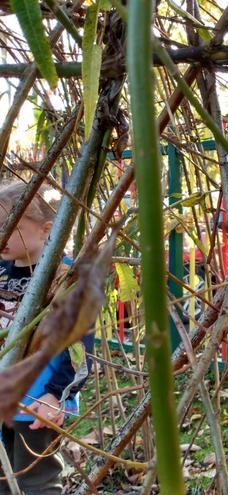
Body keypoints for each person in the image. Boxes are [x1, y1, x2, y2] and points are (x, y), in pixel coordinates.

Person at [0, 181, 94, 495]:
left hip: (37, 400)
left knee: (37, 482)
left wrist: (57, 395)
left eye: (11, 226)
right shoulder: (1, 270)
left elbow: (80, 347)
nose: (2, 234)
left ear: (45, 230)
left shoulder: (65, 277)